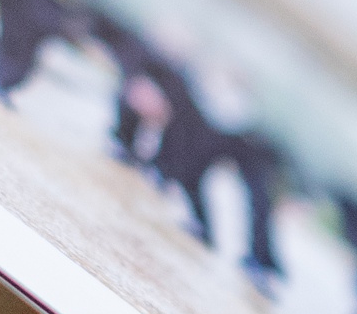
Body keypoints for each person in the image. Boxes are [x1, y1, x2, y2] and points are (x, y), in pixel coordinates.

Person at [91, 14, 287, 285]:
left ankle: (261, 261)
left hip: (234, 135)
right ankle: (204, 226)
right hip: (197, 123)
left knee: (240, 187)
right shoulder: (180, 82)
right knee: (186, 173)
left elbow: (262, 185)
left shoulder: (250, 134)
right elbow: (167, 118)